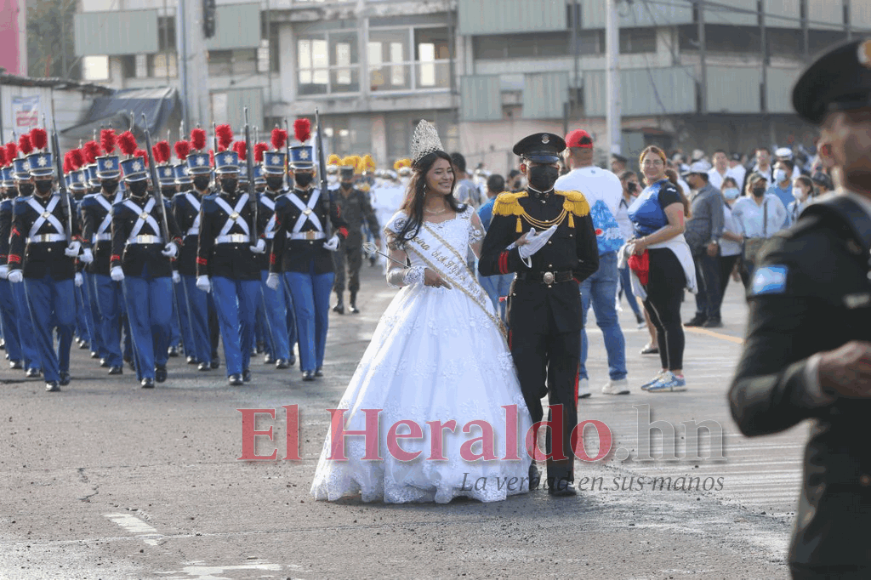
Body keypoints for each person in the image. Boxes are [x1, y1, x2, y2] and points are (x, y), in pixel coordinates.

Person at [310, 120, 532, 503]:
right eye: (439, 172)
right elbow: (392, 274)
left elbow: (485, 260)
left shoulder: (467, 216)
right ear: (423, 177)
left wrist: (518, 248)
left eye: (449, 172)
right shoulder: (402, 223)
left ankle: (472, 465)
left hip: (465, 308)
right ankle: (414, 467)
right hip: (419, 308)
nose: (447, 177)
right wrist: (418, 273)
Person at [729, 38, 871, 579]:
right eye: (863, 118)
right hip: (853, 534)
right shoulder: (802, 254)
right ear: (826, 149)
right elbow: (749, 400)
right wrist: (819, 374)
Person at [479, 131, 599, 495]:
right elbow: (488, 263)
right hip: (527, 304)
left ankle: (561, 473)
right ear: (523, 168)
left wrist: (563, 281)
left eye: (551, 164)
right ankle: (526, 462)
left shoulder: (574, 204)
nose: (546, 170)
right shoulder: (508, 205)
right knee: (527, 391)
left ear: (560, 167)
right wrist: (519, 256)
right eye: (538, 165)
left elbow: (590, 260)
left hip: (565, 305)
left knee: (564, 394)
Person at [266, 118, 349, 381]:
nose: (304, 173)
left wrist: (338, 238)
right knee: (304, 313)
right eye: (299, 169)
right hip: (295, 262)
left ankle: (318, 362)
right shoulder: (283, 201)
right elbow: (278, 238)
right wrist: (274, 270)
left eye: (307, 168)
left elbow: (343, 225)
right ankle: (307, 365)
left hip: (323, 261)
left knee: (321, 316)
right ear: (291, 172)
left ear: (313, 171)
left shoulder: (326, 196)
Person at [7, 127, 81, 392]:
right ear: (32, 179)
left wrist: (77, 243)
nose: (44, 180)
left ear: (53, 176)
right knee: (40, 324)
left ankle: (63, 366)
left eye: (47, 175)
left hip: (62, 266)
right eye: (39, 177)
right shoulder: (23, 205)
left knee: (67, 322)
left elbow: (77, 228)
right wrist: (14, 265)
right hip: (35, 269)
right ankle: (51, 375)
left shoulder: (65, 201)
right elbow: (17, 236)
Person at [555, 129, 628, 396]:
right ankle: (619, 378)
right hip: (606, 255)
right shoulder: (612, 179)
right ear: (591, 151)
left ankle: (581, 380)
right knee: (609, 320)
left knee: (577, 322)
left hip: (576, 259)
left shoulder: (562, 183)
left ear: (569, 153)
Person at [110, 134, 182, 389]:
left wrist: (175, 245)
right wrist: (115, 263)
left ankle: (160, 360)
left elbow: (176, 233)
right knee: (139, 321)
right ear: (127, 184)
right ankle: (146, 371)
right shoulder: (120, 209)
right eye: (134, 181)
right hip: (134, 266)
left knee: (161, 320)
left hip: (160, 264)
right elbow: (117, 240)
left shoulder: (161, 204)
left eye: (142, 180)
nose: (139, 184)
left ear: (148, 180)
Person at [196, 130, 265, 386]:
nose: (230, 179)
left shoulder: (252, 200)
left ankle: (244, 364)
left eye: (233, 175)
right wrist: (202, 272)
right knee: (228, 319)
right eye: (225, 175)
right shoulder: (210, 203)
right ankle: (234, 369)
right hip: (221, 264)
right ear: (217, 177)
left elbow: (264, 226)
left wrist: (262, 241)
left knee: (248, 318)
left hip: (248, 263)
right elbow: (204, 240)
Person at [625, 147, 696, 393]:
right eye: (647, 162)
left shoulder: (667, 190)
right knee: (657, 319)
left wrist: (644, 241)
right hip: (648, 259)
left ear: (665, 166)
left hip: (666, 259)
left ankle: (676, 373)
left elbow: (678, 226)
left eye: (657, 162)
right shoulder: (648, 190)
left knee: (669, 318)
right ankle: (666, 370)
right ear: (641, 165)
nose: (652, 166)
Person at [80, 141, 125, 375]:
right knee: (107, 313)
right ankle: (113, 356)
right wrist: (86, 247)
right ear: (99, 179)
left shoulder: (127, 198)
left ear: (119, 177)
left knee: (127, 311)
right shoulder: (90, 202)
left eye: (113, 177)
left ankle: (130, 351)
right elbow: (87, 228)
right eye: (105, 178)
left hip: (125, 257)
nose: (109, 182)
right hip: (100, 259)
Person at [172, 132, 214, 371]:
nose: (202, 178)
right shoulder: (181, 200)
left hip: (215, 257)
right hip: (189, 259)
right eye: (197, 174)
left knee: (213, 311)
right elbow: (176, 234)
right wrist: (174, 265)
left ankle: (212, 351)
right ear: (190, 176)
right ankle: (201, 354)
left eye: (205, 174)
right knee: (195, 310)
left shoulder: (217, 198)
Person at [256, 130, 294, 369]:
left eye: (278, 174)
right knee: (274, 309)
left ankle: (288, 345)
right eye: (271, 174)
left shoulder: (292, 199)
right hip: (265, 259)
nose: (274, 177)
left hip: (290, 257)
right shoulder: (256, 201)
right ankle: (281, 352)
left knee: (293, 309)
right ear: (264, 175)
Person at [331, 159, 381, 314]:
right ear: (339, 178)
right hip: (337, 238)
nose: (346, 181)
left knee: (354, 271)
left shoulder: (360, 195)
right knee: (338, 271)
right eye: (344, 179)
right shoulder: (332, 195)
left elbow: (370, 216)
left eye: (349, 179)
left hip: (354, 238)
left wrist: (376, 235)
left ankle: (352, 302)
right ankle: (339, 301)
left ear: (352, 178)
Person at [683, 161, 725, 328]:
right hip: (692, 245)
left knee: (710, 282)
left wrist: (714, 241)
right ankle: (701, 314)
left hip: (707, 245)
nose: (689, 179)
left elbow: (718, 219)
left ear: (699, 176)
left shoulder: (713, 193)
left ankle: (714, 316)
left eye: (691, 175)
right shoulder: (694, 193)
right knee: (697, 283)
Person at [731, 173, 788, 287]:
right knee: (752, 278)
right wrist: (740, 231)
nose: (760, 187)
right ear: (750, 186)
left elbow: (783, 214)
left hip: (769, 242)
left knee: (768, 277)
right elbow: (733, 216)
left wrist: (775, 227)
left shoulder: (773, 200)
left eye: (762, 184)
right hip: (751, 244)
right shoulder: (742, 202)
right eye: (757, 184)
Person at [476, 173, 512, 322]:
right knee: (506, 296)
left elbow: (473, 233)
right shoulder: (514, 205)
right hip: (509, 259)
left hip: (490, 260)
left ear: (488, 188)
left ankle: (493, 328)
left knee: (490, 298)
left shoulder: (484, 209)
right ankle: (506, 327)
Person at [615, 170, 647, 328]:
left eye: (636, 181)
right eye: (631, 182)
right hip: (619, 248)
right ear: (622, 183)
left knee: (622, 284)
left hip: (633, 245)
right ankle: (639, 316)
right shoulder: (615, 201)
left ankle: (613, 314)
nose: (634, 184)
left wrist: (641, 193)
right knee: (626, 281)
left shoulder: (636, 200)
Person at [718, 176, 744, 302]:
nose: (729, 189)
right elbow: (719, 228)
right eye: (726, 187)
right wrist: (736, 238)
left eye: (731, 187)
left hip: (743, 248)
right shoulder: (719, 205)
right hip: (726, 249)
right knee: (721, 282)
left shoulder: (743, 203)